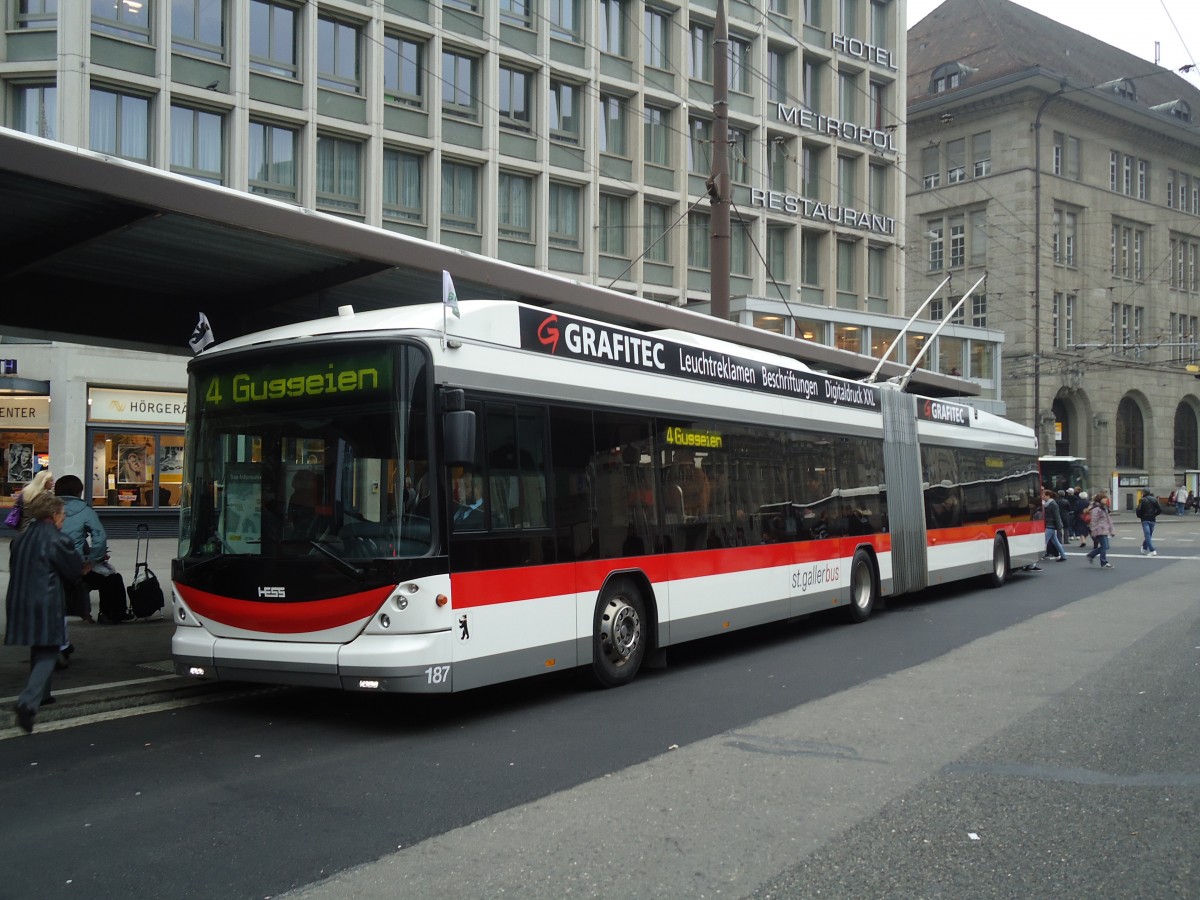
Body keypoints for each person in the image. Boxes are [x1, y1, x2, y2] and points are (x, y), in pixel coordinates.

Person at [5, 493, 90, 733]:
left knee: (38, 647)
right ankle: (28, 701)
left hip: (19, 600)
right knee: (50, 649)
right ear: (53, 515)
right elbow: (72, 570)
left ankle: (43, 695)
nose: (64, 519)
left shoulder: (19, 540)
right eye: (62, 514)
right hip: (46, 600)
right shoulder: (57, 540)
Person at [54, 474, 130, 624]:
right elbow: (99, 537)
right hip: (76, 567)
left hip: (51, 566)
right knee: (112, 578)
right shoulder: (85, 510)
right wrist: (94, 559)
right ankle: (109, 613)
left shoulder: (46, 509)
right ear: (78, 492)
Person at [1085, 490, 1116, 569]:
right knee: (1104, 546)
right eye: (1104, 498)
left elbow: (1108, 519)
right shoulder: (1096, 509)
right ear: (1099, 499)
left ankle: (1091, 555)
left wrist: (1111, 530)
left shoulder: (1104, 507)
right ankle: (1104, 562)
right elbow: (1094, 521)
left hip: (1104, 529)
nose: (1106, 500)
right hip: (1099, 530)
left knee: (1106, 546)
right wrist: (1094, 531)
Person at [1041, 489, 1068, 561]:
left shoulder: (1053, 504)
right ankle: (1063, 556)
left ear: (1048, 496)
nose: (1042, 496)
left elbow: (1057, 516)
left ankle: (1039, 556)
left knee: (1044, 541)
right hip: (1051, 525)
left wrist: (1059, 527)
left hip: (1050, 525)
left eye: (1043, 495)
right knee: (1055, 541)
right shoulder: (1048, 504)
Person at [1135, 489, 1161, 557]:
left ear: (1144, 493)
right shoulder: (1154, 500)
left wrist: (1140, 516)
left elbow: (1139, 510)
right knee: (1149, 535)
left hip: (1145, 519)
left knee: (1147, 535)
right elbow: (1160, 509)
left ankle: (1152, 550)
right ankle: (1144, 547)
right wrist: (1155, 514)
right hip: (1152, 519)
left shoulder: (1142, 500)